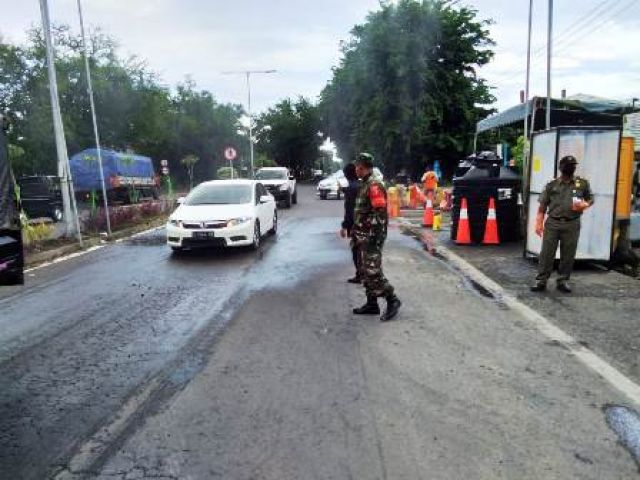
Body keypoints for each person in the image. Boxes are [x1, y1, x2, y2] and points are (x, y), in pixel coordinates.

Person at [531, 155, 593, 293]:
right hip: (553, 223)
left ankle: (563, 280)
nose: (571, 168)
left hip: (572, 223)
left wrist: (585, 204)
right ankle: (541, 280)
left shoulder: (582, 183)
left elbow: (590, 198)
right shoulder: (551, 184)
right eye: (567, 165)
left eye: (573, 165)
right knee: (546, 253)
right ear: (561, 167)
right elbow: (542, 206)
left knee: (568, 254)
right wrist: (538, 223)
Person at [351, 152, 401, 321]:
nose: (355, 170)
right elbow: (363, 211)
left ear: (361, 167)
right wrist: (355, 230)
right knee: (364, 270)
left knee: (372, 270)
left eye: (356, 166)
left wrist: (371, 236)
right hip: (362, 234)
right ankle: (372, 303)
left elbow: (379, 214)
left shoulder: (374, 185)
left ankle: (392, 300)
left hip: (372, 236)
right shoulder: (365, 183)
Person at [339, 163, 361, 283]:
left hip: (356, 225)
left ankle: (360, 275)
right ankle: (365, 275)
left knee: (356, 251)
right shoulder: (362, 185)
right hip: (368, 224)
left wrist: (344, 226)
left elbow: (349, 210)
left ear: (347, 174)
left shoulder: (350, 188)